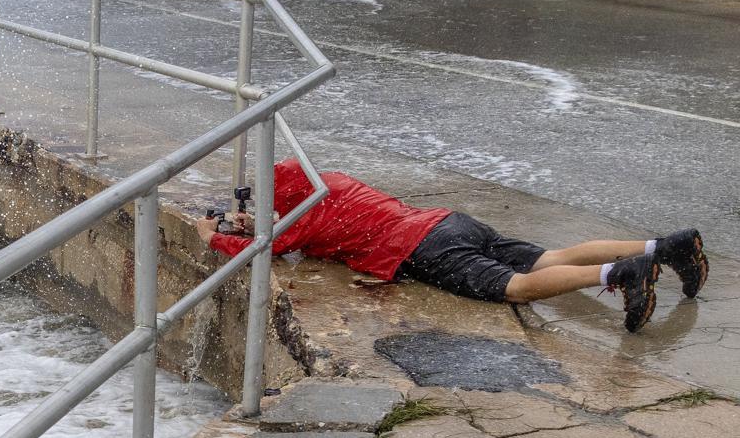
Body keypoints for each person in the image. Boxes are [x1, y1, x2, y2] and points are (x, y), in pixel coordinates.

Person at [195, 161, 709, 332]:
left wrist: (213, 233)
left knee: (517, 288)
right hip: (449, 221)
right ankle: (668, 246)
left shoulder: (302, 219)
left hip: (422, 249)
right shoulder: (330, 182)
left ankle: (619, 275)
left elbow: (265, 247)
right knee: (549, 256)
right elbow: (296, 220)